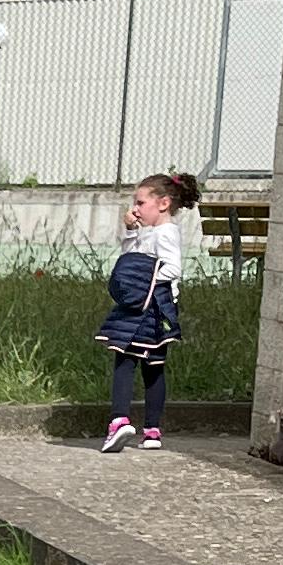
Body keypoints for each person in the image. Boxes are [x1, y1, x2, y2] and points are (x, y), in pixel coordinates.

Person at [96, 169, 196, 450]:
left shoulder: (165, 233)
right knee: (153, 366)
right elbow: (130, 258)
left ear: (163, 203)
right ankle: (152, 431)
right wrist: (131, 232)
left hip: (150, 307)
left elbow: (173, 268)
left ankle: (119, 421)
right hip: (148, 306)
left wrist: (146, 282)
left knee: (124, 357)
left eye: (141, 203)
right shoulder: (149, 232)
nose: (135, 209)